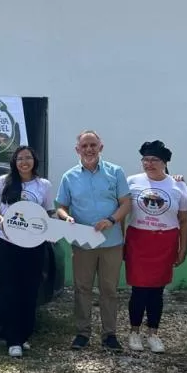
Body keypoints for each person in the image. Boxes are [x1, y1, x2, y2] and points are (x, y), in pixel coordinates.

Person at [55, 130, 132, 351]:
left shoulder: (115, 172)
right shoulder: (69, 176)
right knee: (82, 288)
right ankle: (82, 333)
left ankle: (109, 335)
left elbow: (126, 203)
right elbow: (60, 206)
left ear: (101, 147)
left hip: (111, 242)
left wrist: (111, 219)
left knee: (109, 289)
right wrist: (66, 216)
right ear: (77, 149)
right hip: (83, 243)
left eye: (93, 145)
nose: (89, 149)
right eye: (84, 146)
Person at [0, 145, 55, 358]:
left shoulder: (43, 185)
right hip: (5, 242)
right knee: (9, 290)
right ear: (14, 163)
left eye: (28, 158)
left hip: (33, 245)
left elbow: (49, 211)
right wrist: (2, 219)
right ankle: (12, 339)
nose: (24, 162)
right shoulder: (3, 182)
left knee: (30, 290)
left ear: (34, 160)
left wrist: (52, 226)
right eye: (19, 159)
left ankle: (24, 336)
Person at [124, 141, 187, 354]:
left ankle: (153, 333)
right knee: (138, 290)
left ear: (165, 162)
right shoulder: (132, 182)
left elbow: (184, 220)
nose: (149, 164)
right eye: (146, 159)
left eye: (154, 160)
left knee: (157, 291)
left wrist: (182, 248)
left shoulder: (177, 185)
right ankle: (134, 331)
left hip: (164, 241)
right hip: (138, 240)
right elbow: (122, 212)